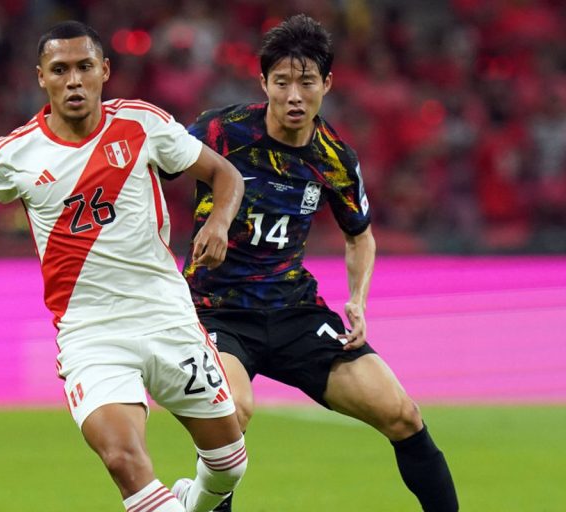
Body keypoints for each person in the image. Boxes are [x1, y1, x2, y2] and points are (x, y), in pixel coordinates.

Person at [0, 21, 247, 512]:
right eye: (60, 70)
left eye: (83, 67)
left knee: (229, 461)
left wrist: (220, 223)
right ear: (41, 77)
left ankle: (196, 500)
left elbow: (224, 175)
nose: (73, 80)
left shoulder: (142, 124)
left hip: (166, 316)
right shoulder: (14, 154)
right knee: (123, 458)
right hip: (91, 332)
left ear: (105, 70)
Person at [180, 15, 459, 512]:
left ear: (326, 84)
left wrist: (358, 300)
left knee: (403, 414)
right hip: (215, 311)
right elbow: (150, 172)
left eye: (306, 82)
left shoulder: (334, 158)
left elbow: (361, 236)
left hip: (294, 313)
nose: (294, 95)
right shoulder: (218, 131)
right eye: (282, 81)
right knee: (232, 415)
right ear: (263, 81)